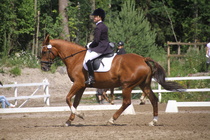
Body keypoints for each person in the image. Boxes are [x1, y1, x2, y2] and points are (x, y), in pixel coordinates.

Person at [84, 8, 113, 85]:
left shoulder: (99, 27)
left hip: (101, 48)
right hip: (105, 46)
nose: (94, 17)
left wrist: (89, 45)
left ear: (100, 17)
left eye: (95, 16)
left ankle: (91, 77)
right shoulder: (103, 26)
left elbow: (96, 41)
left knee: (87, 59)